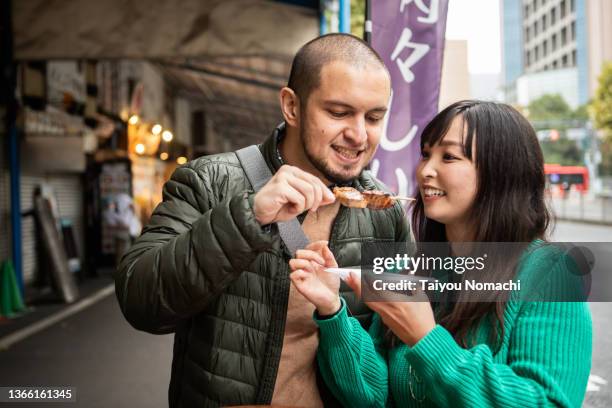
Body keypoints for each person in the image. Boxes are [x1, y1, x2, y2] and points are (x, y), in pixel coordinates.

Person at [113, 33, 411, 407]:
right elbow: (141, 303)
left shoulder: (387, 215)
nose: (358, 135)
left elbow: (400, 351)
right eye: (338, 113)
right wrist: (248, 214)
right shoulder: (209, 181)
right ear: (291, 106)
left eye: (374, 117)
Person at [290, 100, 593, 407]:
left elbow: (548, 401)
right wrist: (332, 310)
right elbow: (374, 395)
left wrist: (425, 338)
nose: (425, 171)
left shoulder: (552, 273)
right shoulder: (406, 269)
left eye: (448, 156)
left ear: (501, 173)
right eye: (425, 154)